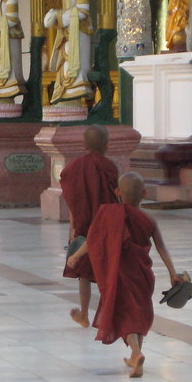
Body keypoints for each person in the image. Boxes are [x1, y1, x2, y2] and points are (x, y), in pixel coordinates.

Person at [67, 172, 181, 378]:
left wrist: (75, 256)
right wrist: (173, 273)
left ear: (118, 192)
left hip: (119, 275)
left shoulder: (109, 215)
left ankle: (136, 353)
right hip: (142, 275)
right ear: (145, 193)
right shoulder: (149, 219)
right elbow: (162, 248)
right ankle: (134, 356)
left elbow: (92, 240)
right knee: (137, 312)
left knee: (125, 314)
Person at [60, 124, 119, 328]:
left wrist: (73, 226)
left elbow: (72, 199)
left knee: (84, 272)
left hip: (85, 225)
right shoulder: (110, 167)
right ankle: (108, 314)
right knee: (107, 270)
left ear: (84, 144)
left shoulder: (75, 167)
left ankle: (84, 313)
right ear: (107, 145)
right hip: (107, 226)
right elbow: (116, 199)